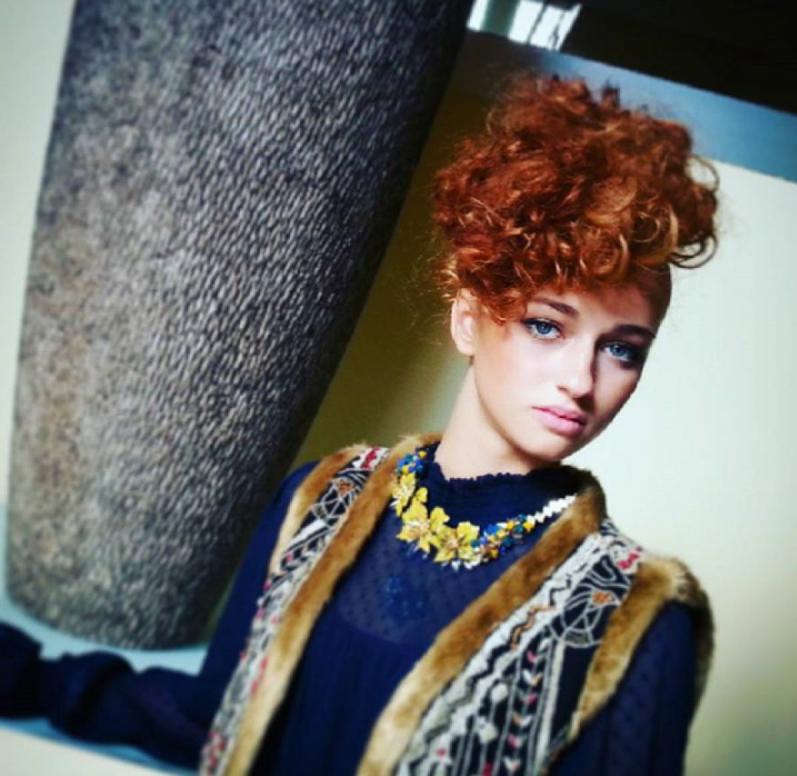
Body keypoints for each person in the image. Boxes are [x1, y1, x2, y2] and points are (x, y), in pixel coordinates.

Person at [0, 73, 717, 775]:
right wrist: (23, 675)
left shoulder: (638, 616)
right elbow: (212, 718)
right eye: (546, 325)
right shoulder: (321, 500)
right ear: (468, 317)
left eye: (622, 349)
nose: (582, 380)